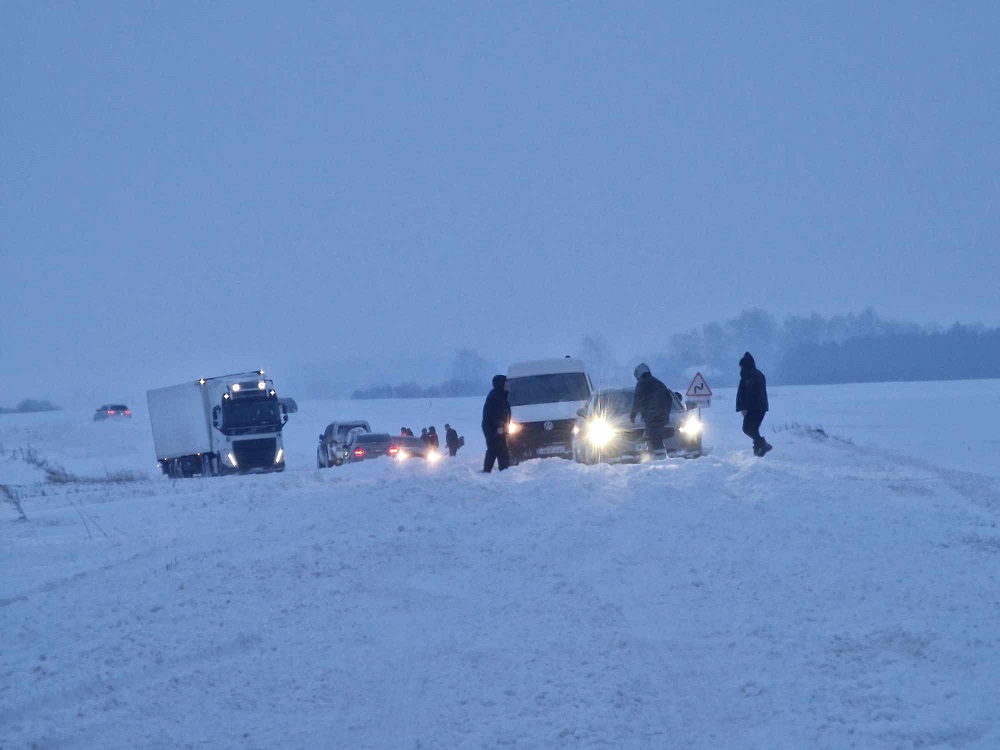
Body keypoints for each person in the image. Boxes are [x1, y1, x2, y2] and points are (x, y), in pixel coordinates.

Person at [629, 363, 673, 459]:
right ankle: (660, 455)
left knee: (654, 436)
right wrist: (666, 414)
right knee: (657, 435)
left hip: (651, 416)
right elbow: (669, 399)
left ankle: (660, 456)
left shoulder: (641, 384)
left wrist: (633, 415)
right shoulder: (659, 383)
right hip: (662, 415)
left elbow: (637, 400)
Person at [736, 351, 772, 457]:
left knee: (747, 428)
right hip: (759, 407)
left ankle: (762, 445)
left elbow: (749, 393)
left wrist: (744, 408)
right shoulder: (753, 375)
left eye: (741, 366)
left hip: (755, 408)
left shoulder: (750, 376)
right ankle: (758, 450)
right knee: (752, 429)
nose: (740, 369)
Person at [482, 374, 511, 472]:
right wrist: (498, 427)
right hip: (493, 429)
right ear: (500, 384)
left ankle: (500, 471)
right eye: (506, 383)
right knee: (496, 450)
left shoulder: (503, 395)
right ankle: (492, 472)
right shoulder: (494, 397)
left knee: (498, 450)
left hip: (499, 429)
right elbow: (491, 415)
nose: (508, 385)